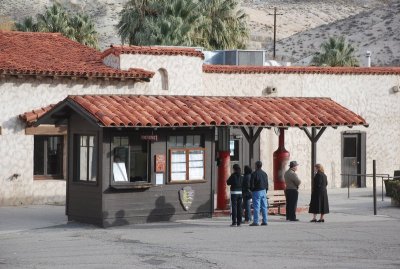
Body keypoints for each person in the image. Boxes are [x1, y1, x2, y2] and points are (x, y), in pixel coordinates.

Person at [249, 161, 268, 226]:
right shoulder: (264, 173)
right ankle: (265, 221)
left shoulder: (254, 174)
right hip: (264, 191)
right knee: (264, 206)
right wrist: (266, 190)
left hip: (256, 191)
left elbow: (251, 184)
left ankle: (256, 221)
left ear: (256, 166)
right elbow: (266, 183)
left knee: (256, 207)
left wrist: (251, 190)